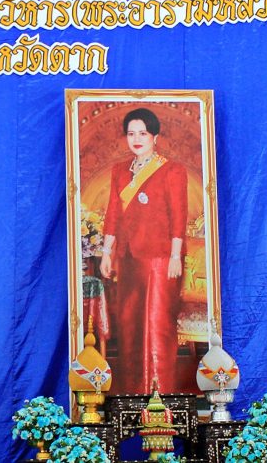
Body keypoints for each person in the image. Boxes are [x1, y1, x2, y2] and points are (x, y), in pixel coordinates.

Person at [98, 107, 187, 393]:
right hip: (128, 259)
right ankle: (134, 393)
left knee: (156, 325)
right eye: (131, 134)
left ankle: (160, 394)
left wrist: (175, 256)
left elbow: (179, 215)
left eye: (143, 133)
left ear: (155, 137)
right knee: (130, 326)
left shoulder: (172, 170)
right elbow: (113, 213)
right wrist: (107, 252)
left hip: (160, 259)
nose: (136, 139)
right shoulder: (119, 171)